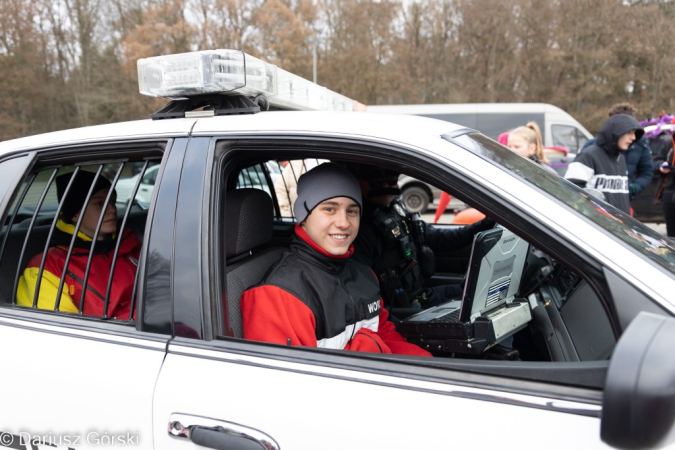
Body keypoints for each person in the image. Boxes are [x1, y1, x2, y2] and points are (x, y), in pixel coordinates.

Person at [241, 163, 431, 356]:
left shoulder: (365, 275)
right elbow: (292, 380)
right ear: (303, 216)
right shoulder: (278, 296)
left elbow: (385, 335)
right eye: (330, 209)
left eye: (352, 211)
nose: (343, 223)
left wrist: (430, 367)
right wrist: (367, 344)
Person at [348, 164, 495, 312]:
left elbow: (442, 239)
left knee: (483, 292)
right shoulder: (360, 230)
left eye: (391, 178)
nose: (386, 185)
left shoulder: (397, 212)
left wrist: (487, 223)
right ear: (358, 182)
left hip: (423, 297)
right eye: (376, 180)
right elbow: (368, 298)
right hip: (402, 311)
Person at [16, 171, 141, 318]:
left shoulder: (131, 243)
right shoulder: (47, 266)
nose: (112, 210)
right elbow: (60, 331)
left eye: (112, 201)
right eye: (100, 203)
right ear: (75, 213)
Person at [564, 114, 644, 215]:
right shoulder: (588, 156)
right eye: (629, 132)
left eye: (634, 133)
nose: (633, 137)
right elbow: (570, 191)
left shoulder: (621, 158)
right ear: (615, 132)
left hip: (619, 226)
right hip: (596, 225)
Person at [580, 103, 654, 199]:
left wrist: (633, 188)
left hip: (624, 199)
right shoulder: (592, 147)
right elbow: (577, 185)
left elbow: (647, 171)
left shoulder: (640, 145)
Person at [654, 124, 675, 237]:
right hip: (668, 190)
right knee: (671, 233)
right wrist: (660, 166)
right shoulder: (668, 143)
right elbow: (656, 161)